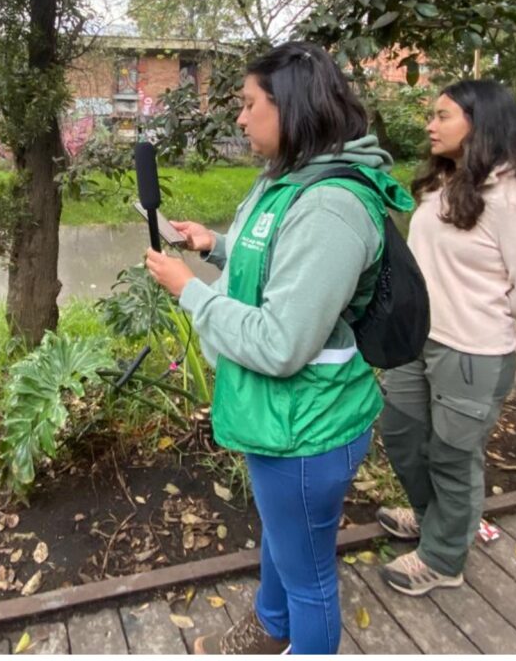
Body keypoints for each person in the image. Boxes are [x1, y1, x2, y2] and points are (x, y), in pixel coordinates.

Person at [145, 43, 413, 655]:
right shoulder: (290, 182)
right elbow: (275, 266)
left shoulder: (331, 206)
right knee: (286, 539)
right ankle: (270, 627)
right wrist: (212, 245)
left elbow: (282, 342)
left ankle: (301, 637)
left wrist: (191, 293)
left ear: (290, 107)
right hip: (281, 417)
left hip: (307, 427)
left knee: (311, 575)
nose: (240, 119)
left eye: (248, 104)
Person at [377, 80, 516, 596]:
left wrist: (476, 310)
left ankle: (442, 557)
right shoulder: (440, 187)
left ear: (480, 124)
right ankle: (429, 520)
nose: (430, 125)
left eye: (443, 116)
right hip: (417, 342)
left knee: (453, 456)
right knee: (403, 436)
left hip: (474, 352)